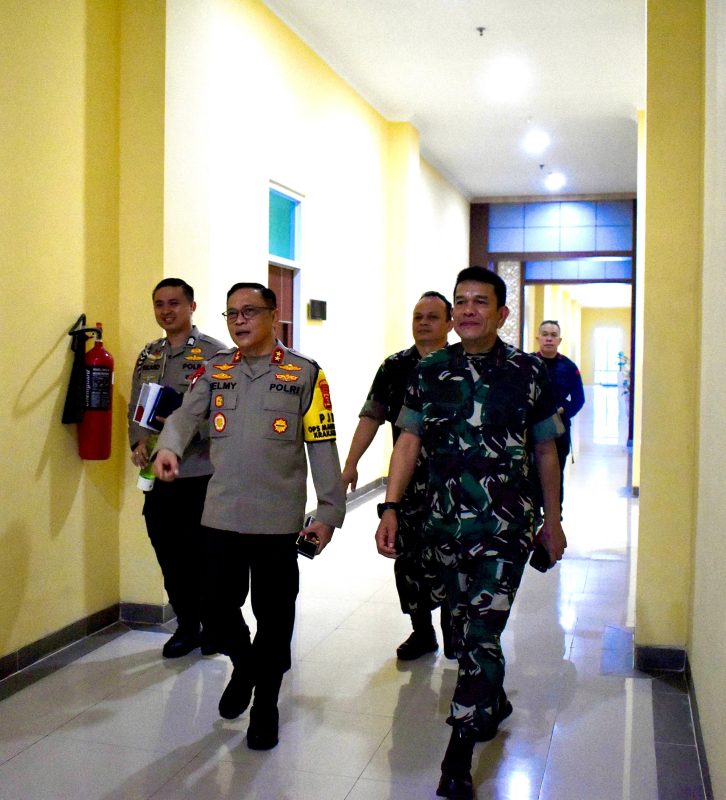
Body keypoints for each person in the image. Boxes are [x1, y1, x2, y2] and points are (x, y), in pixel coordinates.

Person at [375, 267, 566, 800]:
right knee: (463, 631)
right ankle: (493, 698)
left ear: (502, 314)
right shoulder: (430, 369)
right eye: (461, 301)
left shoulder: (529, 372)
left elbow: (546, 449)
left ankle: (458, 754)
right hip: (442, 525)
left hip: (505, 527)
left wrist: (553, 521)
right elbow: (407, 442)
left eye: (480, 302)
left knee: (480, 633)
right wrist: (391, 507)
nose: (467, 310)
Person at [153, 281, 346, 751]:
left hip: (277, 522)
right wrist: (168, 447)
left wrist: (328, 512)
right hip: (220, 514)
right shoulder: (216, 369)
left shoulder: (305, 374)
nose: (239, 321)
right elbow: (184, 417)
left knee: (274, 618)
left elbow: (322, 445)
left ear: (273, 315)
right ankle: (246, 666)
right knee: (215, 611)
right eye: (232, 313)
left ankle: (265, 706)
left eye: (249, 311)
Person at [342, 291, 454, 660]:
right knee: (408, 560)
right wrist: (351, 463)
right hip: (406, 483)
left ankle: (455, 628)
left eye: (432, 317)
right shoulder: (395, 366)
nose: (423, 322)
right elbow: (372, 416)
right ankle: (422, 631)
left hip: (455, 485)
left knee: (453, 558)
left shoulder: (462, 364)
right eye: (418, 316)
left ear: (450, 323)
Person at [128, 278, 226, 659]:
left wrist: (185, 430)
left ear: (191, 307)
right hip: (159, 475)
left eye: (174, 303)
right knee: (168, 551)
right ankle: (187, 625)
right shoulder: (149, 355)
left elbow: (225, 414)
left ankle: (215, 625)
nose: (166, 311)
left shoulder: (215, 355)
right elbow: (137, 405)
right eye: (159, 304)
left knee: (205, 554)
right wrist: (138, 442)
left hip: (200, 472)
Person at [534, 319, 585, 510]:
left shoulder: (569, 367)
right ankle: (533, 513)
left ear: (559, 340)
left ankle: (555, 514)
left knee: (556, 473)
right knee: (530, 472)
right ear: (538, 338)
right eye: (545, 334)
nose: (549, 339)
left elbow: (579, 399)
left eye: (553, 335)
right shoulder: (528, 363)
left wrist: (563, 410)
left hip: (559, 428)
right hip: (531, 427)